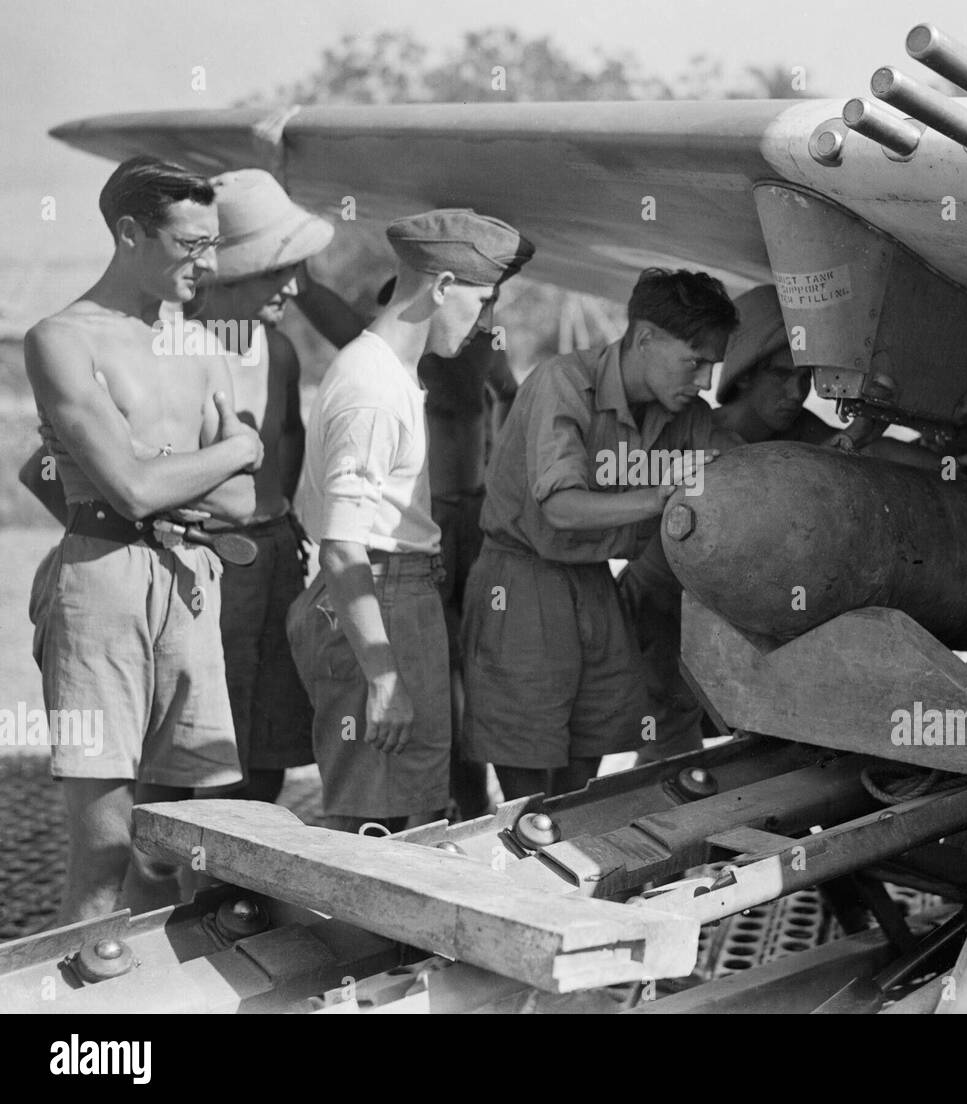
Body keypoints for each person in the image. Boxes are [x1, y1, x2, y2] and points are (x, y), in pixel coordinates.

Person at [619, 284, 967, 760]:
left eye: (805, 380)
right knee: (668, 743)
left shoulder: (798, 432)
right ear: (744, 373)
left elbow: (868, 454)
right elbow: (779, 496)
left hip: (733, 619)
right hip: (661, 613)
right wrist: (851, 437)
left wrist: (949, 467)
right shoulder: (703, 433)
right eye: (781, 376)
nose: (794, 393)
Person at [24, 155, 262, 923]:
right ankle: (81, 1009)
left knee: (192, 831)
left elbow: (242, 502)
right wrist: (236, 447)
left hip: (191, 583)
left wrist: (174, 474)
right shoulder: (61, 338)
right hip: (101, 584)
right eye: (191, 245)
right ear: (130, 233)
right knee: (105, 836)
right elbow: (130, 488)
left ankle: (175, 988)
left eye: (213, 244)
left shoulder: (202, 347)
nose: (210, 263)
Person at [288, 208, 534, 833]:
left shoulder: (392, 374)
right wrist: (385, 676)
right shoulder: (372, 387)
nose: (485, 323)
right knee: (376, 826)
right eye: (480, 301)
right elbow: (342, 549)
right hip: (382, 597)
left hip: (401, 592)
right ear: (443, 286)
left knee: (408, 816)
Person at [460, 267, 739, 801]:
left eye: (713, 366)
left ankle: (563, 877)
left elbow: (730, 468)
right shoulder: (563, 383)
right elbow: (561, 509)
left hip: (594, 583)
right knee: (526, 783)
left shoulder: (686, 414)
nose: (704, 381)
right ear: (645, 337)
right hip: (520, 584)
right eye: (695, 362)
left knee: (582, 776)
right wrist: (659, 494)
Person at [186, 168, 335, 803]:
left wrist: (282, 514)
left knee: (272, 736)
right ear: (234, 270)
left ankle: (247, 887)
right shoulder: (174, 352)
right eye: (280, 270)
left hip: (274, 554)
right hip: (209, 565)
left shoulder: (279, 351)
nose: (295, 286)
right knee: (201, 747)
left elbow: (291, 436)